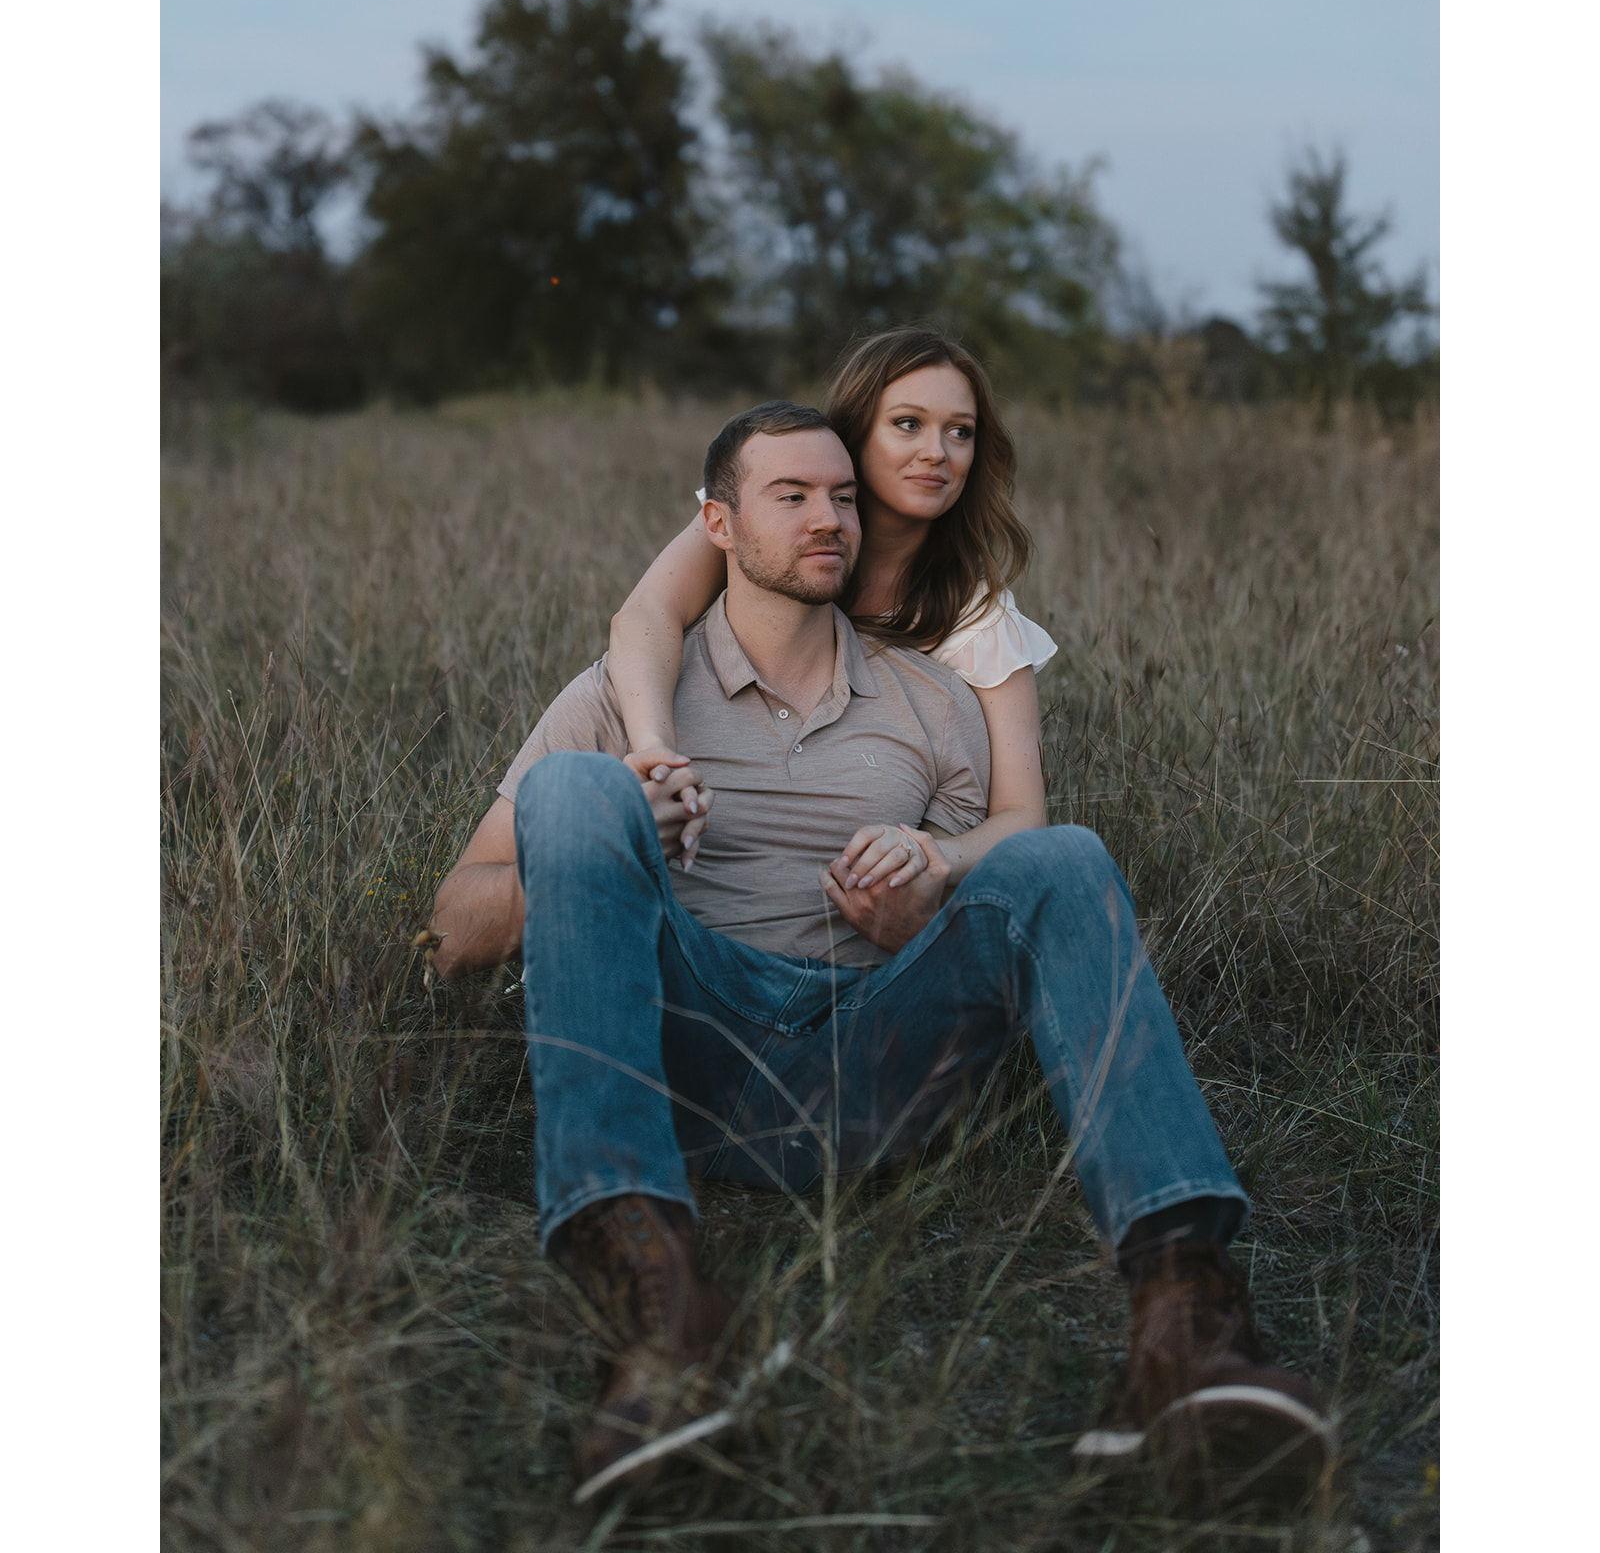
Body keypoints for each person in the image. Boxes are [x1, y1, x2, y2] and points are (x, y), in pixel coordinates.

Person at [426, 401, 1333, 1506]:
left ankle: (1190, 1323)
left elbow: (977, 911)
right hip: (687, 1044)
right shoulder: (623, 695)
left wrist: (923, 902)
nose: (829, 519)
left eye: (844, 498)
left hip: (875, 1054)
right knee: (577, 791)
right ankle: (653, 1315)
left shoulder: (933, 703)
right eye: (792, 496)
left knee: (1059, 855)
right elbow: (449, 931)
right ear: (717, 524)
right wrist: (608, 853)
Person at [607, 327, 1057, 900]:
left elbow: (1023, 816)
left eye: (960, 432)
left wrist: (931, 854)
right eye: (908, 424)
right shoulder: (771, 523)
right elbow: (646, 613)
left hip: (872, 872)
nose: (937, 453)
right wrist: (654, 751)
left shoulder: (979, 619)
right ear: (856, 431)